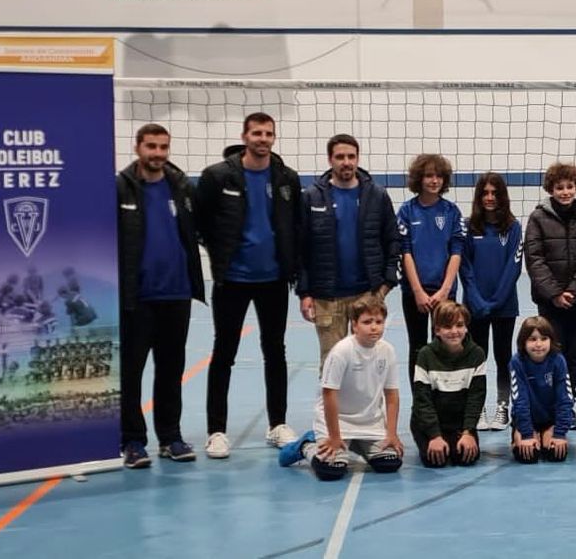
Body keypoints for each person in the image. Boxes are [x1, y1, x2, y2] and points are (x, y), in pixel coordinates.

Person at [196, 112, 302, 458]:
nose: (263, 139)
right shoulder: (217, 176)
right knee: (224, 353)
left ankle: (278, 424)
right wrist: (221, 253)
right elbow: (200, 224)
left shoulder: (286, 178)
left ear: (274, 137)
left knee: (276, 351)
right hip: (233, 280)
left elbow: (295, 226)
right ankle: (216, 431)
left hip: (273, 279)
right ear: (244, 136)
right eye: (256, 133)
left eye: (268, 133)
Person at [117, 123, 206, 467]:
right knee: (132, 372)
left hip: (176, 294)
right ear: (138, 147)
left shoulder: (180, 186)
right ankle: (133, 441)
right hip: (137, 297)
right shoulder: (120, 187)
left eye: (163, 147)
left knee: (171, 370)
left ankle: (170, 437)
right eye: (151, 146)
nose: (157, 153)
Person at [296, 134, 401, 368]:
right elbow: (301, 249)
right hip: (326, 297)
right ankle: (331, 407)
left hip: (367, 293)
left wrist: (385, 285)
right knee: (333, 365)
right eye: (340, 157)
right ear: (330, 159)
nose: (346, 162)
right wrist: (305, 293)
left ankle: (371, 407)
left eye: (351, 156)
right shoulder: (311, 197)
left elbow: (393, 240)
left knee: (368, 364)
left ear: (358, 158)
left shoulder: (377, 195)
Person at [277, 294, 404, 480]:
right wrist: (335, 437)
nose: (374, 327)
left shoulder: (388, 351)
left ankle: (359, 443)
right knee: (331, 469)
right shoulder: (341, 351)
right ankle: (306, 446)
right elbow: (329, 395)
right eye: (367, 322)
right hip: (337, 422)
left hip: (369, 422)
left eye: (379, 321)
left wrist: (391, 433)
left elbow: (392, 396)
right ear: (354, 324)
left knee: (390, 463)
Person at [524, 162, 576, 424]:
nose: (565, 192)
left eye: (570, 187)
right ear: (551, 189)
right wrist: (555, 293)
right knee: (548, 352)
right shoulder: (538, 218)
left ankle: (567, 406)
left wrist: (574, 291)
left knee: (572, 354)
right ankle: (548, 406)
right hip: (549, 302)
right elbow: (534, 258)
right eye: (560, 187)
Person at [462, 172, 523, 432]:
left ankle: (502, 406)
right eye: (485, 193)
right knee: (477, 357)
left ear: (502, 196)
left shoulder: (513, 227)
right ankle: (476, 409)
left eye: (494, 193)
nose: (489, 198)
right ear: (478, 196)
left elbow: (514, 265)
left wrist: (496, 300)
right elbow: (464, 267)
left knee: (502, 356)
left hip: (504, 306)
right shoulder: (468, 227)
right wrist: (477, 300)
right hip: (474, 306)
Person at [397, 153, 466, 376]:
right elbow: (405, 252)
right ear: (419, 179)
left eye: (438, 176)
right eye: (428, 176)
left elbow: (456, 252)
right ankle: (420, 403)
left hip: (444, 292)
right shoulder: (407, 211)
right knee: (417, 348)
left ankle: (445, 398)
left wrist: (445, 290)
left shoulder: (451, 211)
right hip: (415, 293)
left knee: (447, 345)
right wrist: (417, 291)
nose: (434, 180)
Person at [410, 301, 486, 468]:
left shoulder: (477, 354)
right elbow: (422, 401)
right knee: (436, 460)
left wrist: (468, 432)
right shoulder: (425, 355)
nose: (454, 331)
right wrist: (434, 436)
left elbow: (476, 398)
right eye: (447, 326)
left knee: (465, 457)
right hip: (430, 423)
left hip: (458, 423)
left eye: (459, 325)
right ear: (437, 330)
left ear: (466, 327)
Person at [509, 316, 575, 464]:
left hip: (549, 419)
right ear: (523, 342)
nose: (538, 344)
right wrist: (526, 433)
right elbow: (520, 401)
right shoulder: (517, 362)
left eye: (543, 338)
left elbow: (565, 399)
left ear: (551, 340)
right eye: (532, 339)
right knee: (527, 455)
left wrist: (559, 433)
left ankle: (545, 432)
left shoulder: (558, 360)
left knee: (555, 455)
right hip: (527, 418)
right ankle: (520, 434)